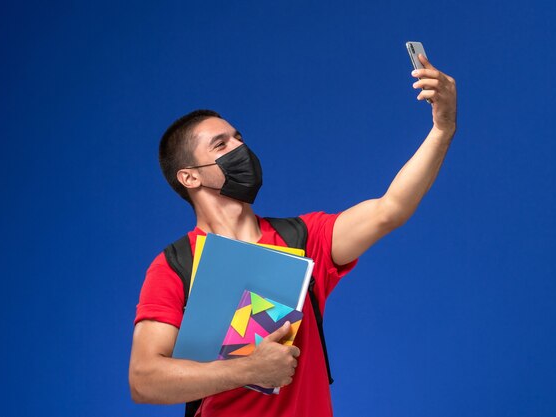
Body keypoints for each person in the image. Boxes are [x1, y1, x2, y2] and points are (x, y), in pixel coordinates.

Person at [129, 54, 457, 416]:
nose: (240, 148)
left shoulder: (302, 240)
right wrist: (247, 370)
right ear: (190, 176)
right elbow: (144, 379)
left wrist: (442, 130)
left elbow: (389, 209)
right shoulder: (177, 265)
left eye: (239, 138)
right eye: (221, 145)